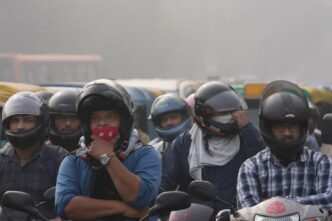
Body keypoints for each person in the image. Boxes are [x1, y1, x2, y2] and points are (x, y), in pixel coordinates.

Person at [55, 79, 161, 221]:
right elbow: (66, 207)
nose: (102, 122)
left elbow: (139, 198)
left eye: (110, 116)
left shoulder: (145, 154)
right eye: (95, 118)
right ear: (87, 125)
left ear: (124, 121)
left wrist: (107, 157)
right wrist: (121, 208)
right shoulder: (74, 160)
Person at [160, 81, 265, 211]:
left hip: (235, 216)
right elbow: (163, 185)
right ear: (203, 114)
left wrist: (248, 128)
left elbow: (263, 165)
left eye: (233, 111)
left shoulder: (246, 139)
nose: (231, 117)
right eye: (223, 113)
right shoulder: (184, 144)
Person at [237, 80, 332, 210]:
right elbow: (248, 208)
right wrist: (308, 203)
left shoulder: (321, 163)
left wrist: (274, 203)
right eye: (280, 127)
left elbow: (329, 200)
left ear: (302, 127)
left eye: (293, 126)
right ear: (268, 128)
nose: (287, 133)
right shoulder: (251, 167)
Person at [0, 91, 67, 220]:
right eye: (15, 120)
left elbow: (73, 203)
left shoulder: (58, 158)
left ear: (41, 122)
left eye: (28, 120)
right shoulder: (2, 160)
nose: (20, 126)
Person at [148, 94, 192, 193]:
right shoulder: (154, 150)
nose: (169, 122)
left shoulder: (197, 145)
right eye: (164, 119)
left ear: (184, 116)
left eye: (173, 117)